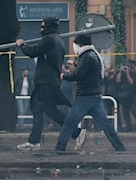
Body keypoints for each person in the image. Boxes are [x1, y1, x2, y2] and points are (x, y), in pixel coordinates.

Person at [16, 16, 85, 151]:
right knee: (37, 108)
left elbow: (33, 52)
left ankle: (76, 132)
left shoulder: (49, 40)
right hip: (48, 80)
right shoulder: (59, 41)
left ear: (48, 27)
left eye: (43, 26)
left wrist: (22, 45)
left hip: (45, 80)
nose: (41, 29)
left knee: (50, 110)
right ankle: (34, 141)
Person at [55, 34, 125, 152]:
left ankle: (60, 147)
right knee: (105, 124)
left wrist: (64, 76)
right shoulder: (94, 55)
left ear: (80, 44)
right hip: (94, 95)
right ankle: (119, 146)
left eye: (75, 44)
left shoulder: (86, 57)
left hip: (85, 96)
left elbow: (79, 75)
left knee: (69, 123)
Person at [14, 66, 34, 131]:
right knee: (21, 111)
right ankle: (21, 126)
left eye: (27, 70)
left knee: (24, 111)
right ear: (22, 71)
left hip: (26, 96)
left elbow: (31, 87)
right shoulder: (18, 78)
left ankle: (21, 124)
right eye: (25, 70)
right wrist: (16, 93)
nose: (26, 72)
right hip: (20, 96)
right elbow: (16, 85)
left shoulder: (29, 79)